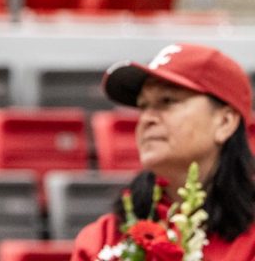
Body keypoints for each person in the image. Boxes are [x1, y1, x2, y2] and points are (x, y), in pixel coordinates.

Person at [72, 43, 255, 260]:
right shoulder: (103, 239)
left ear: (225, 122)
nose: (147, 119)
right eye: (143, 106)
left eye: (167, 101)